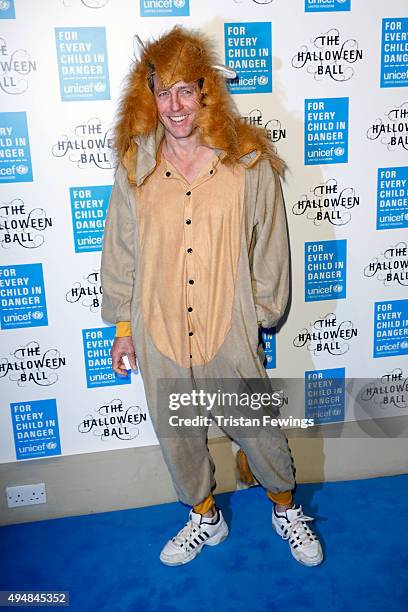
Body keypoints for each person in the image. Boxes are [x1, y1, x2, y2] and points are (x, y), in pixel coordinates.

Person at [101, 26, 323, 567]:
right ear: (147, 96)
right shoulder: (136, 167)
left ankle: (285, 506)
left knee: (261, 431)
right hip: (159, 327)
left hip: (229, 325)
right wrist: (124, 330)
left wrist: (261, 316)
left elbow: (269, 244)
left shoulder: (247, 162)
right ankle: (204, 516)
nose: (175, 105)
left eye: (186, 89)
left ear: (207, 91)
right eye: (162, 91)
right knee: (177, 434)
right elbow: (121, 250)